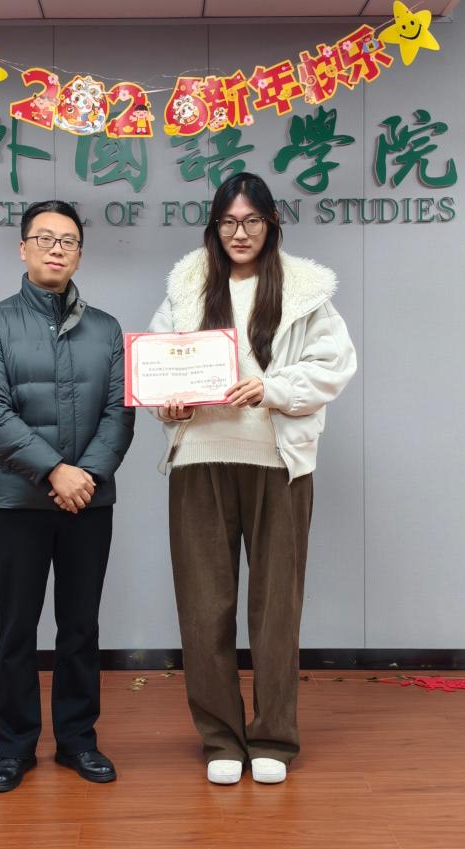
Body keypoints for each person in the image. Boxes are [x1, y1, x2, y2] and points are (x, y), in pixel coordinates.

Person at [148, 173, 356, 785]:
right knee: (203, 609)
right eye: (228, 223)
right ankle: (220, 739)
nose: (240, 234)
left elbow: (335, 366)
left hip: (279, 465)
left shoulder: (305, 289)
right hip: (199, 461)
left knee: (276, 610)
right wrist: (169, 404)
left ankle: (273, 737)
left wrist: (272, 387)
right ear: (214, 227)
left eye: (251, 222)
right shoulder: (186, 287)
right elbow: (156, 365)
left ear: (271, 224)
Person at [0, 200, 135, 793]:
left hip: (89, 502)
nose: (56, 249)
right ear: (23, 248)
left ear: (80, 254)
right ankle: (13, 748)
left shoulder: (107, 329)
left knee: (80, 627)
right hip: (17, 502)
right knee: (16, 629)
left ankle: (78, 741)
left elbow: (119, 413)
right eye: (44, 238)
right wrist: (55, 471)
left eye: (68, 241)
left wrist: (85, 477)